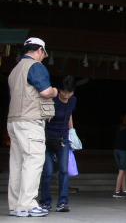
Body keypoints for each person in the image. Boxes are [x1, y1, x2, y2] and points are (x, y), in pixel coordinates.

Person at [7, 38, 57, 218]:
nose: (43, 57)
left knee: (17, 164)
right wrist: (54, 91)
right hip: (30, 120)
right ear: (39, 50)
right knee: (34, 161)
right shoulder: (35, 66)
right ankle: (27, 204)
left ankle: (16, 205)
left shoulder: (15, 69)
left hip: (14, 120)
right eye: (44, 53)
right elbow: (44, 91)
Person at [40, 76, 77, 213]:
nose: (67, 95)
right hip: (48, 138)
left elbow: (69, 115)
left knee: (64, 171)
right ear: (59, 90)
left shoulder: (72, 100)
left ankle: (63, 202)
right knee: (48, 172)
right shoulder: (51, 100)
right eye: (65, 92)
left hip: (63, 139)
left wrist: (72, 131)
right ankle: (45, 202)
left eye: (70, 92)